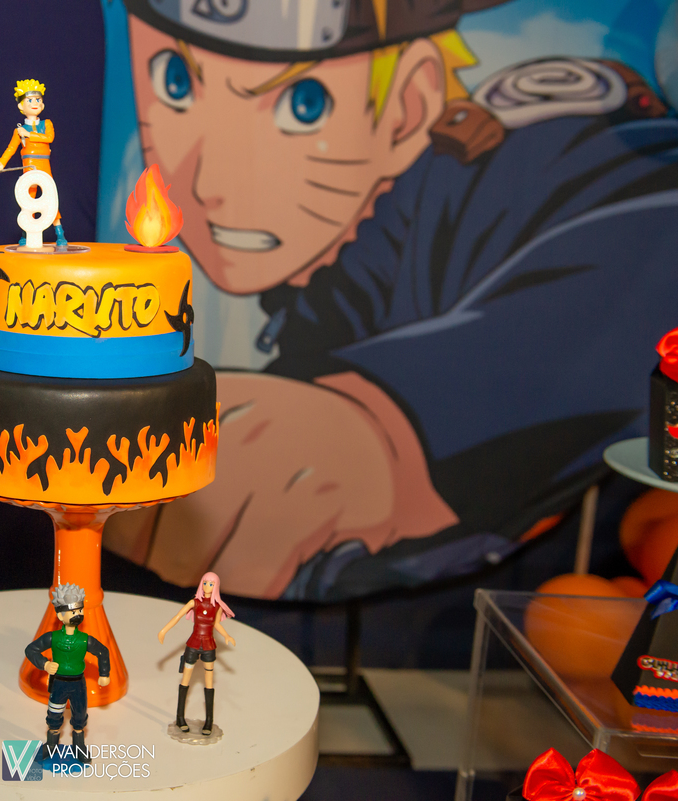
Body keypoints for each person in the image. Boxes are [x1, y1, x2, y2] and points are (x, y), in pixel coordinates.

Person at [103, 0, 678, 601]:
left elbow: (644, 241)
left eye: (304, 104)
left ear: (408, 106)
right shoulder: (359, 254)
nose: (209, 184)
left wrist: (380, 430)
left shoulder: (548, 150)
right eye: (174, 82)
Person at [24, 584, 111, 762]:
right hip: (59, 684)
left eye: (79, 610)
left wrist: (104, 674)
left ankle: (78, 746)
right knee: (54, 715)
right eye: (72, 611)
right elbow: (31, 650)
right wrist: (45, 664)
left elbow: (103, 652)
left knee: (80, 716)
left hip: (78, 684)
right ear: (60, 615)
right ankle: (51, 744)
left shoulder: (84, 640)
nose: (77, 614)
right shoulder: (53, 637)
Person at [158, 571, 236, 736]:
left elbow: (216, 624)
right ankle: (180, 718)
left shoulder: (217, 606)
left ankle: (209, 721)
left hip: (208, 645)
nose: (207, 586)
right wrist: (164, 630)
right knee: (185, 680)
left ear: (216, 586)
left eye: (211, 584)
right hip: (193, 644)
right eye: (205, 583)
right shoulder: (194, 602)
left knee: (209, 683)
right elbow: (178, 616)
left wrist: (227, 636)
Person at [0, 78, 67, 248]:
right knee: (29, 200)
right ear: (21, 106)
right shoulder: (18, 131)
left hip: (44, 166)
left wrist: (29, 134)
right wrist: (1, 162)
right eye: (30, 100)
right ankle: (26, 233)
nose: (35, 103)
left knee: (50, 198)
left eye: (38, 100)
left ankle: (60, 233)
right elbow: (11, 149)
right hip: (28, 168)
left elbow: (49, 138)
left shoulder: (46, 124)